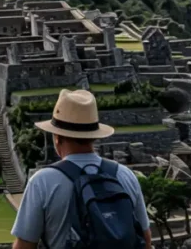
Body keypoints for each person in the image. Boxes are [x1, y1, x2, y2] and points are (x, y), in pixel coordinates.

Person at [11, 89, 150, 249]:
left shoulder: (43, 182)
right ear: (94, 136)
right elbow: (145, 239)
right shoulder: (125, 175)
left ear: (57, 138)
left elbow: (24, 245)